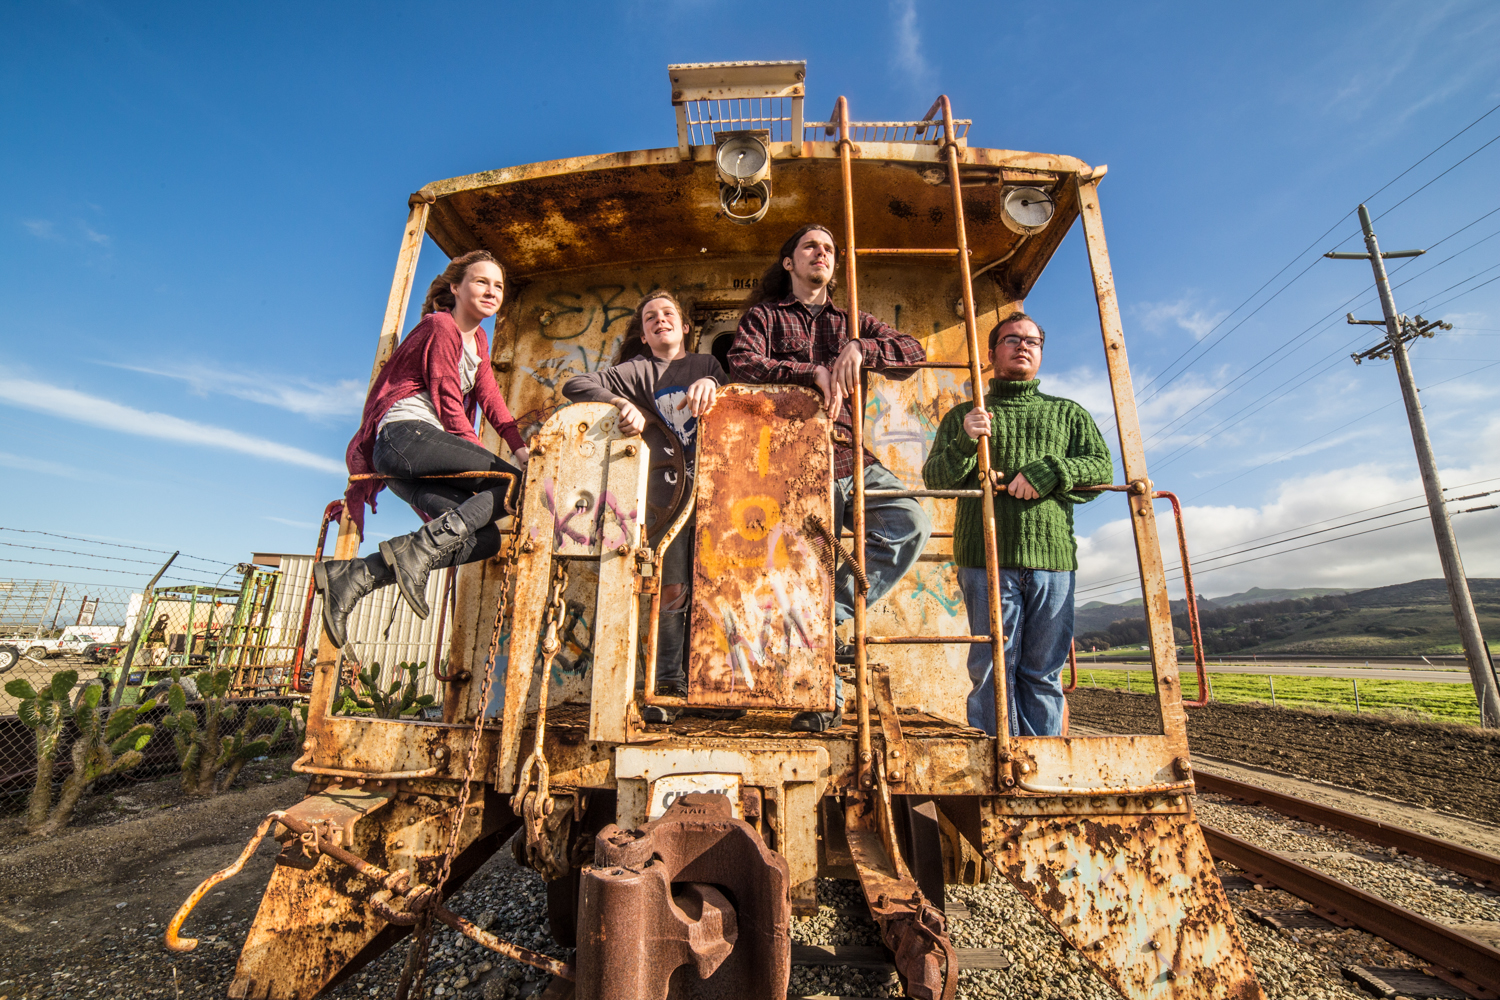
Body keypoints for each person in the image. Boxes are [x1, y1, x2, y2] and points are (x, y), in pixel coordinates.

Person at [730, 224, 932, 732]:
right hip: (791, 462)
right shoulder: (766, 316)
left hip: (848, 455)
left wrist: (862, 348)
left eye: (829, 249)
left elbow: (914, 352)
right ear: (789, 262)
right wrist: (808, 373)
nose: (821, 254)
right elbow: (741, 363)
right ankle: (822, 700)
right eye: (810, 247)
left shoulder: (850, 320)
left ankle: (829, 615)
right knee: (806, 570)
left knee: (910, 521)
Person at [314, 250, 530, 650]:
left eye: (498, 286)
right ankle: (416, 553)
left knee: (484, 540)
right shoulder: (440, 326)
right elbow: (449, 402)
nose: (491, 291)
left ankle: (354, 577)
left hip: (414, 461)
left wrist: (522, 451)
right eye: (481, 282)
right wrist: (491, 467)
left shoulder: (479, 342)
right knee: (511, 485)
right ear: (456, 288)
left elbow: (493, 403)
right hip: (403, 439)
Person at [922, 313, 1112, 736]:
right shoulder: (965, 415)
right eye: (1012, 339)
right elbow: (935, 480)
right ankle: (995, 759)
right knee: (992, 670)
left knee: (1042, 673)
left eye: (1033, 341)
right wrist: (965, 440)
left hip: (1052, 562)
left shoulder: (1068, 414)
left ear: (1041, 352)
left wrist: (1050, 472)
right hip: (985, 560)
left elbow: (1101, 468)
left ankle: (1042, 763)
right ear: (992, 353)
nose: (1023, 346)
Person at [562, 290, 724, 723]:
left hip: (715, 497)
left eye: (668, 313)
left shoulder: (706, 364)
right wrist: (622, 404)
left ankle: (714, 685)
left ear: (685, 326)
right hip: (666, 500)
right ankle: (667, 684)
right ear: (645, 334)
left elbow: (736, 400)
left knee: (716, 587)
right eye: (650, 317)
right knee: (672, 590)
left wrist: (712, 384)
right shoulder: (636, 370)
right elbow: (574, 385)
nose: (660, 320)